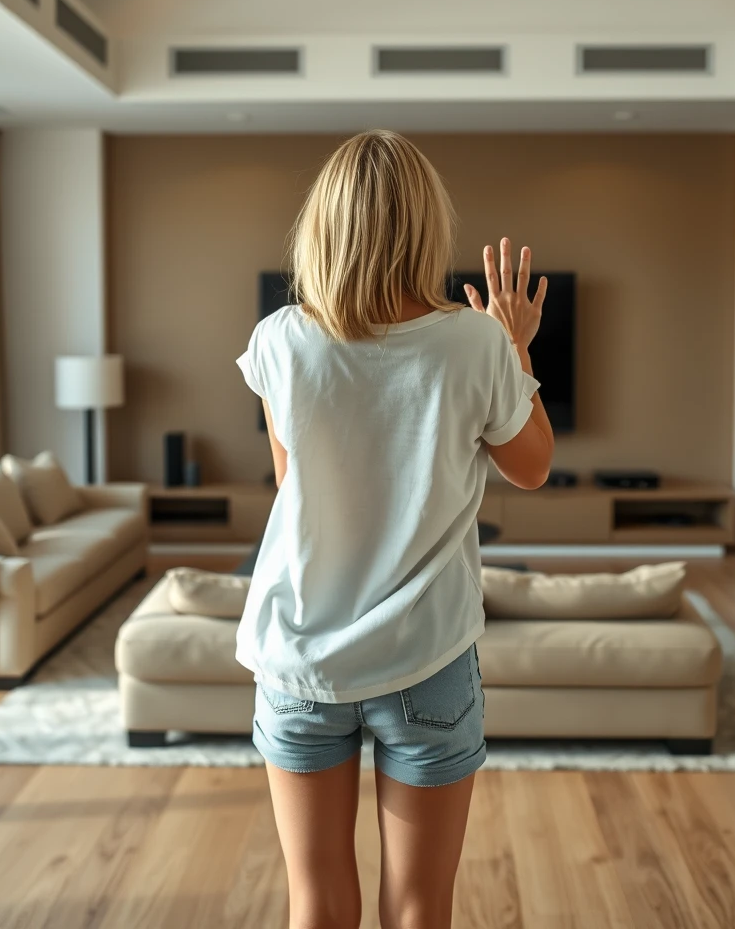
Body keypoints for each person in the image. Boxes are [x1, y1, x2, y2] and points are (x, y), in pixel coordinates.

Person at [235, 130, 554, 929]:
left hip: (301, 654)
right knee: (418, 906)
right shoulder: (476, 343)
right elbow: (533, 466)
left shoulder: (279, 339)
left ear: (323, 226)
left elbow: (290, 482)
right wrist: (515, 342)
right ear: (424, 226)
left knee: (315, 899)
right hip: (428, 659)